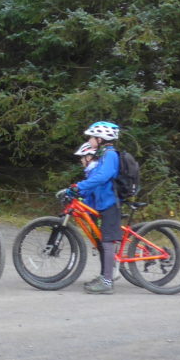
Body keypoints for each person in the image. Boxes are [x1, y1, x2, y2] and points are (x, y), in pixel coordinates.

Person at [64, 121, 121, 295]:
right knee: (101, 240)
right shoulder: (103, 154)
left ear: (100, 138)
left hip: (110, 203)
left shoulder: (110, 155)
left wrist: (79, 187)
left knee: (107, 241)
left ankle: (107, 281)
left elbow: (102, 177)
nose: (89, 140)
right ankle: (104, 275)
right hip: (103, 203)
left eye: (91, 137)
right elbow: (95, 181)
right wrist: (78, 191)